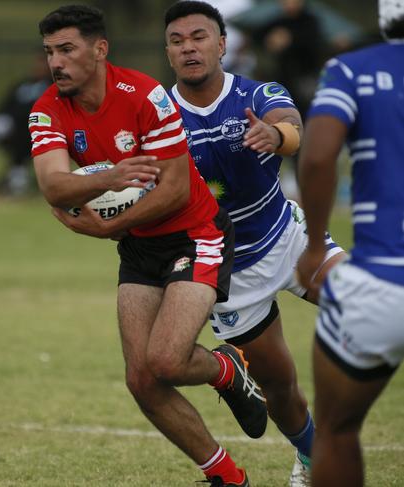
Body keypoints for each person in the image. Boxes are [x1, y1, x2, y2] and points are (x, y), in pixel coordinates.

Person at [29, 5, 267, 487]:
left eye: (67, 49)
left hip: (196, 231)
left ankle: (226, 365)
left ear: (99, 50)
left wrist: (105, 224)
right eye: (51, 52)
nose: (57, 62)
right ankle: (227, 477)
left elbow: (176, 189)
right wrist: (114, 177)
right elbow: (54, 187)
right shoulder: (47, 109)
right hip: (140, 246)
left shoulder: (143, 94)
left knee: (166, 361)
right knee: (141, 379)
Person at [162, 2, 345, 486]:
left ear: (222, 44)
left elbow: (293, 128)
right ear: (169, 52)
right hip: (230, 271)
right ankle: (311, 458)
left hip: (289, 239)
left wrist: (275, 133)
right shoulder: (157, 115)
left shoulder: (256, 91)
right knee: (280, 387)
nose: (189, 48)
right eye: (177, 41)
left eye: (199, 37)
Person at [296, 1, 404, 485]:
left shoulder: (352, 69)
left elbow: (318, 156)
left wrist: (316, 245)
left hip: (382, 280)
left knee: (337, 430)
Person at [0, 53, 51, 196]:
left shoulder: (52, 86)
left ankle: (17, 175)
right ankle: (17, 173)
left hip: (36, 129)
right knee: (5, 130)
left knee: (23, 132)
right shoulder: (22, 84)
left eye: (42, 64)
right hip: (12, 127)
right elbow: (4, 105)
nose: (38, 68)